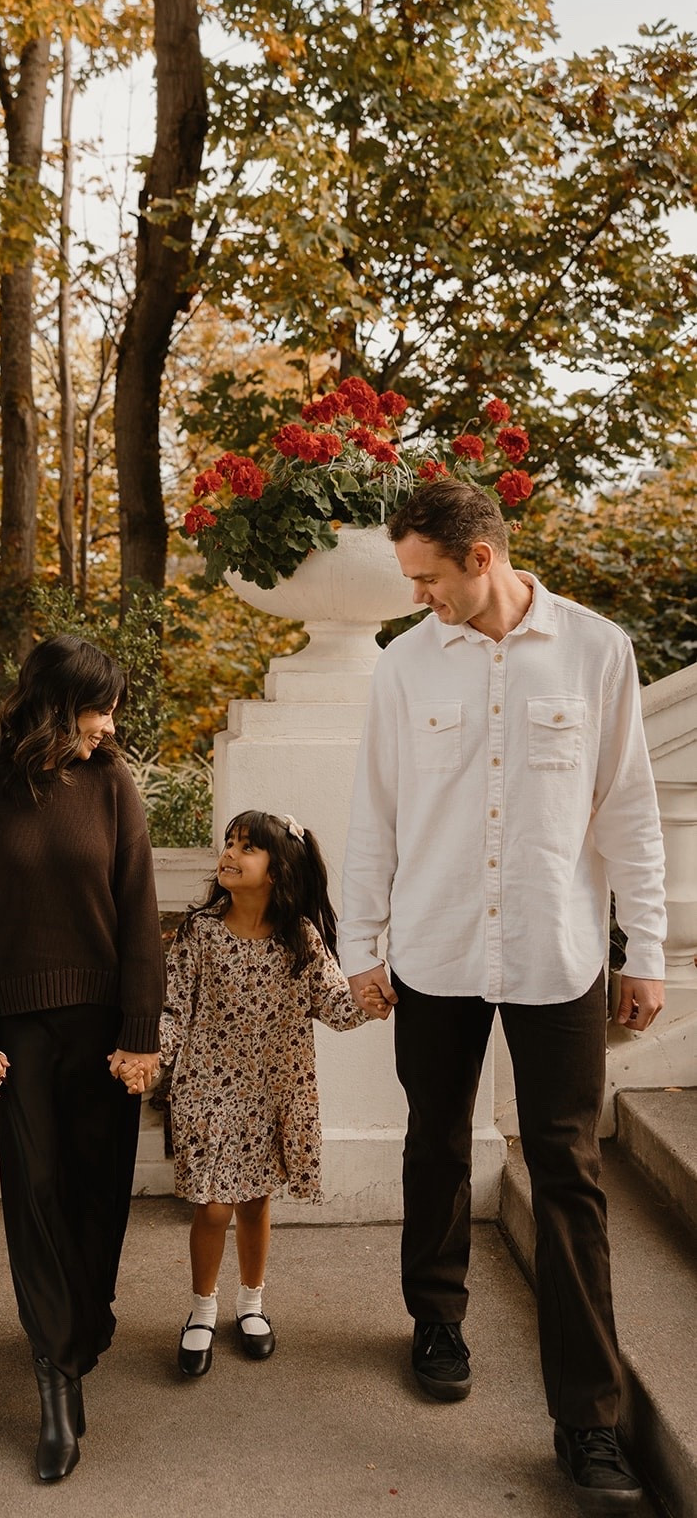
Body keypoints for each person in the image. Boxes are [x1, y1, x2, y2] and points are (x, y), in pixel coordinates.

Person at [340, 479, 666, 1511]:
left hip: (555, 952)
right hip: (434, 950)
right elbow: (370, 819)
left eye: (426, 577)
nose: (416, 597)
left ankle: (588, 1423)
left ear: (480, 557)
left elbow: (629, 811)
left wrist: (643, 946)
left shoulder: (594, 651)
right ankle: (434, 1316)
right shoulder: (400, 668)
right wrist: (362, 945)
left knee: (567, 1170)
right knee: (433, 1138)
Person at [0, 634, 164, 1483]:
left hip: (105, 1023)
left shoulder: (110, 783)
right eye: (98, 708)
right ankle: (56, 1381)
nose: (109, 726)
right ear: (54, 704)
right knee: (32, 1193)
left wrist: (141, 1032)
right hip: (18, 1030)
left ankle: (84, 1318)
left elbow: (138, 908)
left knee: (98, 1190)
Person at [150, 809, 368, 1379]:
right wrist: (151, 1058)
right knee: (212, 1205)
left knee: (253, 1201)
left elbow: (339, 1010)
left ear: (277, 871)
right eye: (229, 842)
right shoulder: (200, 932)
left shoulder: (301, 940)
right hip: (208, 1088)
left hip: (273, 1090)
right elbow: (173, 1008)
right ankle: (202, 1309)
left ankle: (251, 1303)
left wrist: (380, 993)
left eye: (247, 847)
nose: (230, 853)